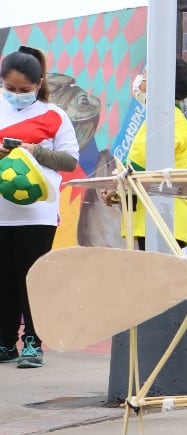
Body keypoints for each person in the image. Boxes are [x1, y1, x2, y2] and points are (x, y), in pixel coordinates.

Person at [0, 46, 80, 368]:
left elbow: (70, 161)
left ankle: (33, 341)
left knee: (32, 278)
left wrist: (34, 152)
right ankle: (5, 342)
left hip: (38, 212)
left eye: (24, 90)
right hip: (2, 213)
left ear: (39, 84)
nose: (17, 95)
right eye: (10, 89)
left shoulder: (54, 115)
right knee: (4, 279)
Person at [100, 58, 187, 250]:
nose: (140, 83)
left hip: (160, 217)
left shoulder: (163, 119)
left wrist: (117, 189)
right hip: (164, 217)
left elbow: (138, 165)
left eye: (145, 77)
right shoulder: (172, 118)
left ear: (161, 84)